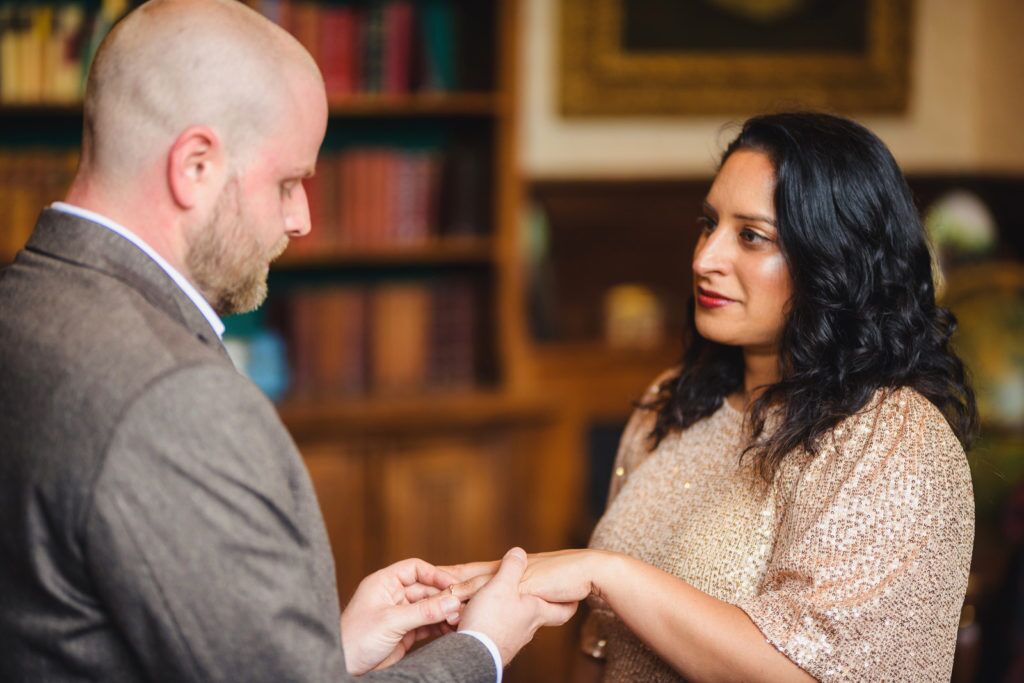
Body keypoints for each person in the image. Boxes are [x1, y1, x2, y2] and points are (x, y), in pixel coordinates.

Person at [0, 1, 575, 680]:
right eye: (289, 182)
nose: (301, 219)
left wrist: (329, 652)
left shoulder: (25, 301)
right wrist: (480, 648)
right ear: (195, 166)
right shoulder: (175, 399)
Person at [448, 112, 978, 682]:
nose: (704, 259)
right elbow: (601, 643)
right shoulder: (672, 403)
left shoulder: (890, 436)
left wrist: (607, 573)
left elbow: (814, 674)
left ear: (834, 256)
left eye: (751, 236)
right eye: (709, 224)